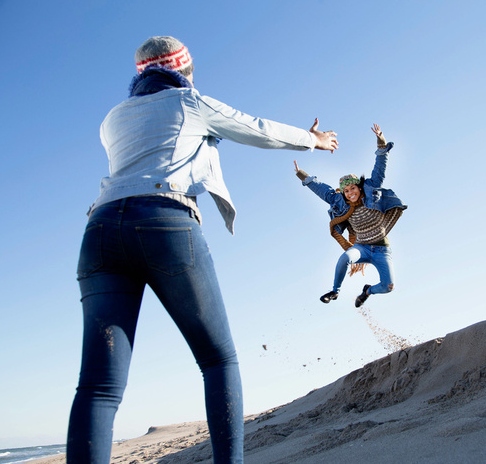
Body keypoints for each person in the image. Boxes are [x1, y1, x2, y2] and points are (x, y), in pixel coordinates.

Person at [67, 36, 338, 464]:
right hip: (164, 222)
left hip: (100, 229)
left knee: (98, 386)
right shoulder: (189, 102)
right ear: (184, 71)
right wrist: (313, 140)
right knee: (218, 359)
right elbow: (256, 128)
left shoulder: (112, 119)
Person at [293, 124, 406, 308]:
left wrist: (381, 141)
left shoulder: (371, 190)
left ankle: (367, 291)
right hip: (361, 247)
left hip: (381, 250)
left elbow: (379, 168)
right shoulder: (341, 202)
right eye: (346, 191)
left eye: (352, 188)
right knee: (345, 258)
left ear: (359, 187)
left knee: (388, 286)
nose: (350, 193)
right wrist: (302, 175)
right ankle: (335, 292)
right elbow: (324, 192)